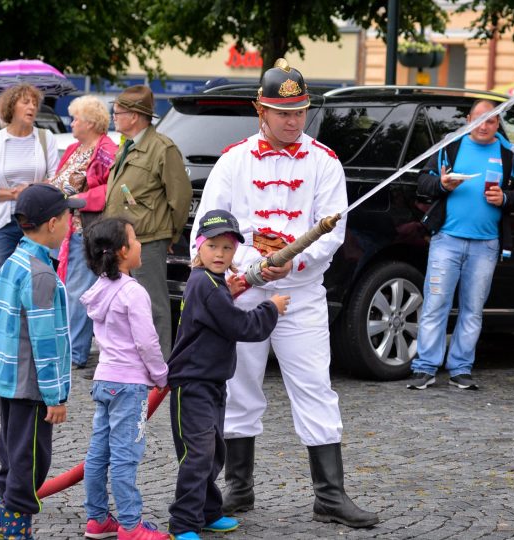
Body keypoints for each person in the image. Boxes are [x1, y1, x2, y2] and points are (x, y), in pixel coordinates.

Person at [194, 58, 379, 528]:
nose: (292, 120)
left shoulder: (325, 162)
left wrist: (293, 261)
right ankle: (238, 486)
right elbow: (208, 226)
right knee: (239, 385)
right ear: (261, 110)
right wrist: (248, 265)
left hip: (302, 294)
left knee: (315, 385)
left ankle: (330, 495)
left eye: (299, 111)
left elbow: (334, 234)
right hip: (244, 292)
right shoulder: (233, 160)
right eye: (282, 112)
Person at [167, 210, 286, 540]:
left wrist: (227, 292)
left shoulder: (211, 283)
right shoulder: (206, 286)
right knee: (199, 453)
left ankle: (207, 511)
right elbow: (240, 326)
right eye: (213, 247)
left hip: (211, 381)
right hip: (192, 385)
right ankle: (183, 523)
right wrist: (271, 308)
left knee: (214, 450)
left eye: (228, 248)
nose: (220, 254)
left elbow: (218, 313)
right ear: (199, 248)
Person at [0, 183, 82, 539]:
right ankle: (15, 535)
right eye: (69, 216)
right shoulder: (40, 274)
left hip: (11, 382)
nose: (72, 222)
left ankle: (2, 533)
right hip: (32, 388)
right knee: (29, 467)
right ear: (52, 223)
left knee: (11, 460)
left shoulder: (15, 260)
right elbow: (44, 341)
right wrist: (56, 397)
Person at [406, 99, 514, 390]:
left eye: (490, 121)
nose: (484, 126)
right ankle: (425, 367)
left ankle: (461, 368)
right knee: (436, 303)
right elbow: (422, 182)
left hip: (486, 244)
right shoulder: (451, 146)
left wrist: (507, 199)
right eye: (479, 119)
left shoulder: (509, 154)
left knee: (473, 309)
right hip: (446, 240)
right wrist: (442, 185)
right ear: (468, 119)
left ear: (497, 124)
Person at [79, 217, 170, 540]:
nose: (141, 243)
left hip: (104, 380)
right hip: (130, 386)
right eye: (135, 239)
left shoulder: (99, 290)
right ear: (122, 251)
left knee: (97, 455)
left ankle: (97, 518)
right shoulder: (133, 292)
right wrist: (161, 375)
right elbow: (147, 342)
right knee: (125, 457)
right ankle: (131, 526)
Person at [0, 84, 59, 367]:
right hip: (3, 220)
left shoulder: (45, 139)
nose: (31, 107)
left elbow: (56, 181)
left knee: (39, 282)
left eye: (34, 102)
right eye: (25, 103)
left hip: (34, 222)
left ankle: (39, 342)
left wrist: (32, 189)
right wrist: (12, 193)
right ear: (11, 108)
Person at [104, 85, 191, 357]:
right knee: (124, 303)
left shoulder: (161, 148)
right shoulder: (128, 145)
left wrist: (170, 236)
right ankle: (129, 359)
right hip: (122, 241)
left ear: (134, 116)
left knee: (153, 305)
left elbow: (181, 196)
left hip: (148, 239)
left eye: (117, 112)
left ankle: (160, 364)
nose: (114, 116)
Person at [49, 95, 119, 369]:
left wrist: (81, 200)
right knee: (68, 290)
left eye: (76, 118)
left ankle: (74, 353)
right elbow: (60, 180)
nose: (72, 122)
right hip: (66, 230)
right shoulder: (74, 149)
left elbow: (111, 191)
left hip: (86, 231)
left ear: (90, 123)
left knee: (78, 292)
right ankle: (70, 349)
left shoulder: (106, 151)